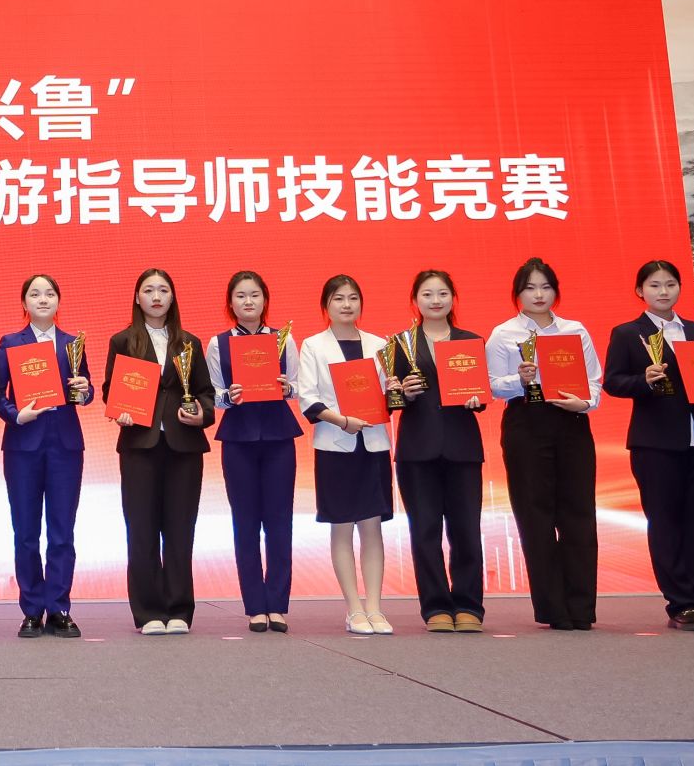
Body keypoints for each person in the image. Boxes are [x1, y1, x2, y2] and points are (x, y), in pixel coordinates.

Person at [602, 259, 694, 632]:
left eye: (670, 284)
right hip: (655, 443)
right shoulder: (628, 333)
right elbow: (612, 382)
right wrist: (643, 380)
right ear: (640, 291)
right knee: (665, 523)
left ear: (680, 288)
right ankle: (681, 603)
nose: (663, 291)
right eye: (655, 285)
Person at [486, 258, 604, 632]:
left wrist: (584, 403)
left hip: (571, 422)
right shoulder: (503, 334)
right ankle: (553, 608)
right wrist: (519, 380)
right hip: (526, 422)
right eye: (530, 288)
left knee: (579, 514)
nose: (538, 294)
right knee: (534, 515)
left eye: (546, 287)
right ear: (517, 294)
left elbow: (594, 380)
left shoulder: (575, 330)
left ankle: (581, 607)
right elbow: (492, 385)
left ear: (555, 291)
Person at [102, 267, 216, 636]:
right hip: (139, 444)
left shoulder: (189, 342)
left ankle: (179, 609)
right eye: (148, 290)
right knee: (142, 530)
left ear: (172, 297)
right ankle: (148, 610)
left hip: (183, 446)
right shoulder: (123, 341)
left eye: (163, 290)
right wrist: (118, 409)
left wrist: (202, 414)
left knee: (181, 530)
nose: (156, 296)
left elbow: (205, 393)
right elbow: (110, 389)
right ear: (137, 298)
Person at [295, 274, 395, 636]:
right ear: (326, 305)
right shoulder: (313, 346)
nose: (347, 305)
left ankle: (375, 608)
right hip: (335, 446)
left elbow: (388, 397)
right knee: (341, 527)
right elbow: (307, 397)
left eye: (353, 298)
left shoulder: (380, 344)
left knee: (372, 527)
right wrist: (342, 421)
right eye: (338, 298)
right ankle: (354, 609)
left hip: (373, 444)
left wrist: (394, 390)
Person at [205, 270, 304, 633]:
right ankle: (255, 606)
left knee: (279, 521)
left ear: (265, 300)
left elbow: (298, 386)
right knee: (245, 523)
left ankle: (277, 603)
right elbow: (212, 394)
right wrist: (227, 397)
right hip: (238, 439)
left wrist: (287, 388)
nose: (248, 302)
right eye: (241, 296)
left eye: (255, 295)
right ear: (230, 303)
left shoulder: (283, 339)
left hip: (278, 436)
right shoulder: (218, 344)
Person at [392, 269, 488, 634]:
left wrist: (477, 398)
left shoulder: (470, 340)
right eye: (428, 294)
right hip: (417, 449)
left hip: (462, 447)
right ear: (415, 300)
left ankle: (468, 605)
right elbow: (391, 399)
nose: (435, 300)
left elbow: (480, 393)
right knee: (425, 531)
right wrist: (404, 392)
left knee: (466, 530)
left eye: (443, 293)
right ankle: (435, 606)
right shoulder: (400, 343)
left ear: (453, 298)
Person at [0, 274, 90, 639]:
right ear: (24, 303)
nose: (43, 299)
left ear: (58, 301)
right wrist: (15, 414)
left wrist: (84, 389)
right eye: (35, 294)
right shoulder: (10, 343)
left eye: (50, 293)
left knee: (62, 531)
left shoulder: (72, 344)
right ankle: (32, 609)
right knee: (25, 532)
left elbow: (85, 390)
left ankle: (60, 607)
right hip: (22, 446)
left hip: (65, 447)